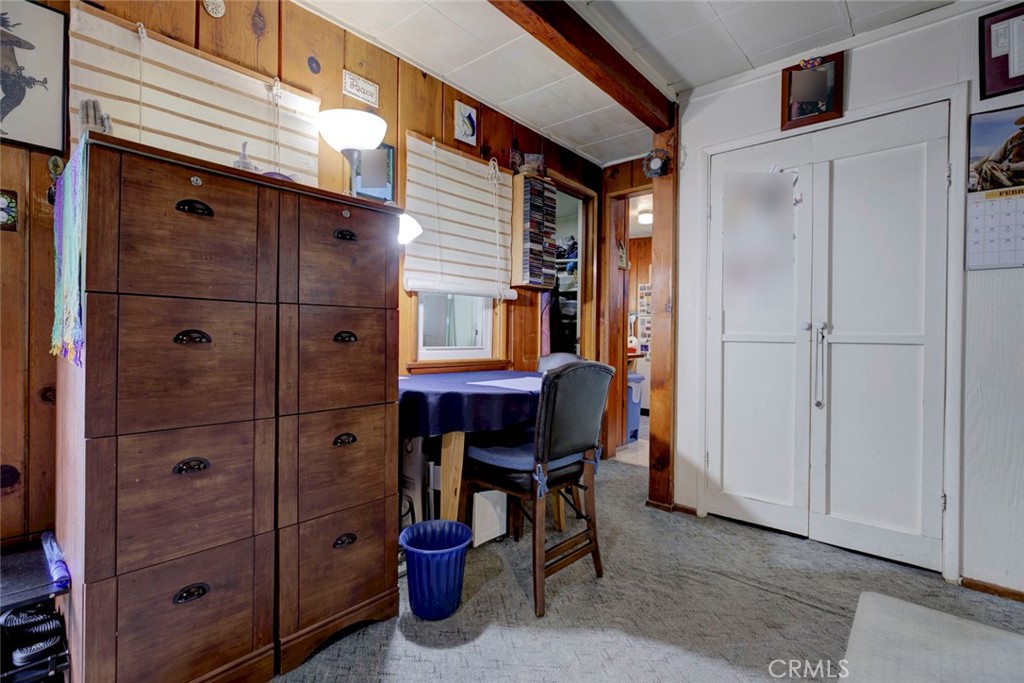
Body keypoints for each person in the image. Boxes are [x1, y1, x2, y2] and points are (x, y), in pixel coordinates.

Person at [971, 114, 1024, 190]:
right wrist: (988, 168)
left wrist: (1008, 167)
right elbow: (994, 159)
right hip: (1014, 177)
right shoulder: (1016, 137)